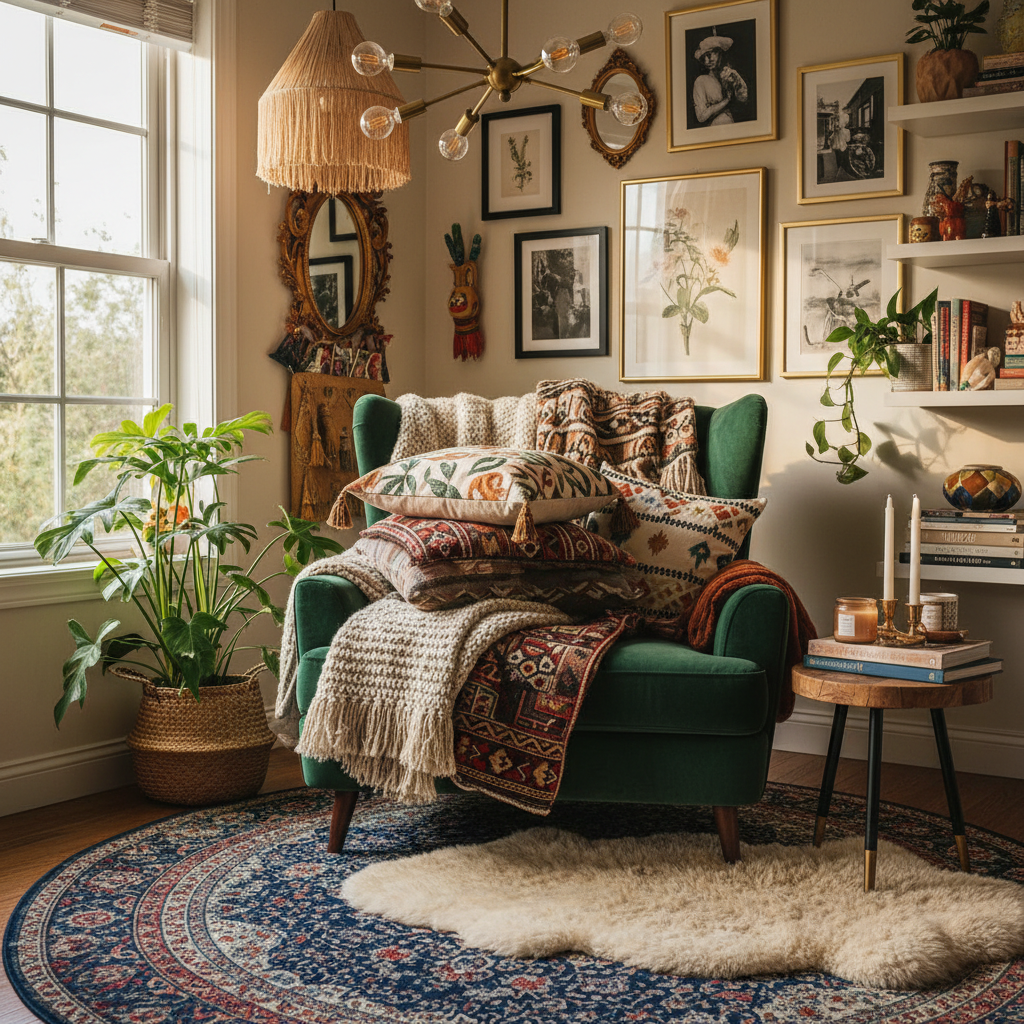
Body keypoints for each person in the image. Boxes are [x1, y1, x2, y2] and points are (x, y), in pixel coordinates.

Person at [692, 33, 748, 126]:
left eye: (709, 55)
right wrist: (726, 101)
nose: (707, 61)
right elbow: (701, 116)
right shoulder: (701, 81)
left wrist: (737, 80)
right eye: (703, 59)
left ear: (719, 53)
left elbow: (743, 99)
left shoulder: (728, 75)